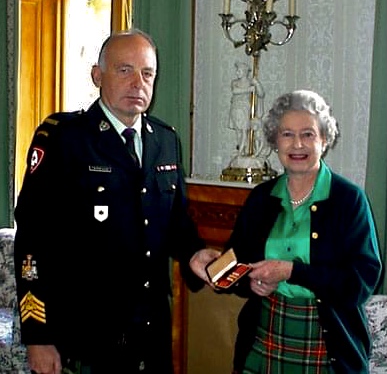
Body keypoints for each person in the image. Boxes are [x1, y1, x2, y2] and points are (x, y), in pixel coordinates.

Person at [13, 28, 217, 374]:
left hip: (150, 335)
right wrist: (38, 337)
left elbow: (175, 223)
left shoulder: (164, 141)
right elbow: (32, 241)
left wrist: (196, 253)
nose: (138, 83)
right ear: (98, 75)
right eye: (124, 70)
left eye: (147, 73)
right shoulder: (65, 138)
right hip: (85, 339)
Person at [224, 89, 382, 373]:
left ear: (324, 139)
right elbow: (235, 261)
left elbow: (362, 281)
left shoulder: (349, 199)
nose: (297, 144)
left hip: (326, 349)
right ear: (275, 141)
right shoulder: (260, 198)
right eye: (287, 134)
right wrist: (249, 282)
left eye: (308, 134)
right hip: (265, 341)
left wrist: (291, 272)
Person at [228, 61, 265, 156]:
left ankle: (241, 151)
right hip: (236, 107)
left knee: (244, 130)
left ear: (244, 72)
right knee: (238, 131)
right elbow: (235, 91)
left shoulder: (250, 82)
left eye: (239, 71)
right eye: (237, 71)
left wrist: (256, 83)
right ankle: (241, 148)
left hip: (245, 108)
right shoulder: (235, 82)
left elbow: (261, 94)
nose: (237, 73)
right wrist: (249, 89)